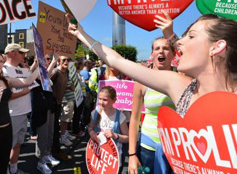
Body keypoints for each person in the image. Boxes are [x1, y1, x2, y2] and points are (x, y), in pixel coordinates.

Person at [66, 11, 237, 172]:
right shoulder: (178, 85)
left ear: (217, 47)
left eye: (191, 36)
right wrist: (81, 34)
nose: (179, 42)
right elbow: (116, 60)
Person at [128, 37, 176, 174]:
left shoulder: (182, 76)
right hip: (148, 147)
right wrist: (132, 155)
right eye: (157, 48)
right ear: (152, 54)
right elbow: (134, 119)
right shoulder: (142, 81)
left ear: (173, 54)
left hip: (176, 147)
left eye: (166, 48)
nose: (161, 51)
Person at [3, 43, 36, 174]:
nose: (24, 55)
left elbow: (31, 78)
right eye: (21, 52)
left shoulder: (21, 69)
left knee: (17, 145)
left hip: (23, 113)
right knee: (8, 146)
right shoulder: (4, 70)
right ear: (11, 53)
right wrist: (26, 91)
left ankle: (14, 169)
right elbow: (6, 96)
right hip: (12, 114)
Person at [31, 53, 61, 174]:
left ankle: (47, 155)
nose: (47, 61)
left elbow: (48, 75)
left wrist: (53, 62)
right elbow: (44, 77)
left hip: (49, 107)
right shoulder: (35, 71)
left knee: (50, 134)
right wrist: (54, 61)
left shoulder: (49, 71)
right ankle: (41, 161)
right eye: (46, 59)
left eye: (49, 59)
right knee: (43, 136)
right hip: (41, 110)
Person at [88, 86, 129, 171]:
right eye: (99, 99)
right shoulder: (95, 113)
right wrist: (91, 132)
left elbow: (127, 138)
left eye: (105, 100)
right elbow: (90, 128)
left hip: (113, 158)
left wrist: (115, 135)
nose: (101, 102)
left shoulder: (120, 116)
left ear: (114, 100)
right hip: (97, 155)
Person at [51, 55, 72, 161]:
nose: (66, 61)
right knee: (53, 129)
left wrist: (68, 87)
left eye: (68, 59)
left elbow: (61, 85)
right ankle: (54, 152)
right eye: (64, 60)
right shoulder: (55, 72)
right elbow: (47, 85)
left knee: (55, 128)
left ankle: (55, 151)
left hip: (59, 103)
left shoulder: (67, 72)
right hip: (52, 104)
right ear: (58, 61)